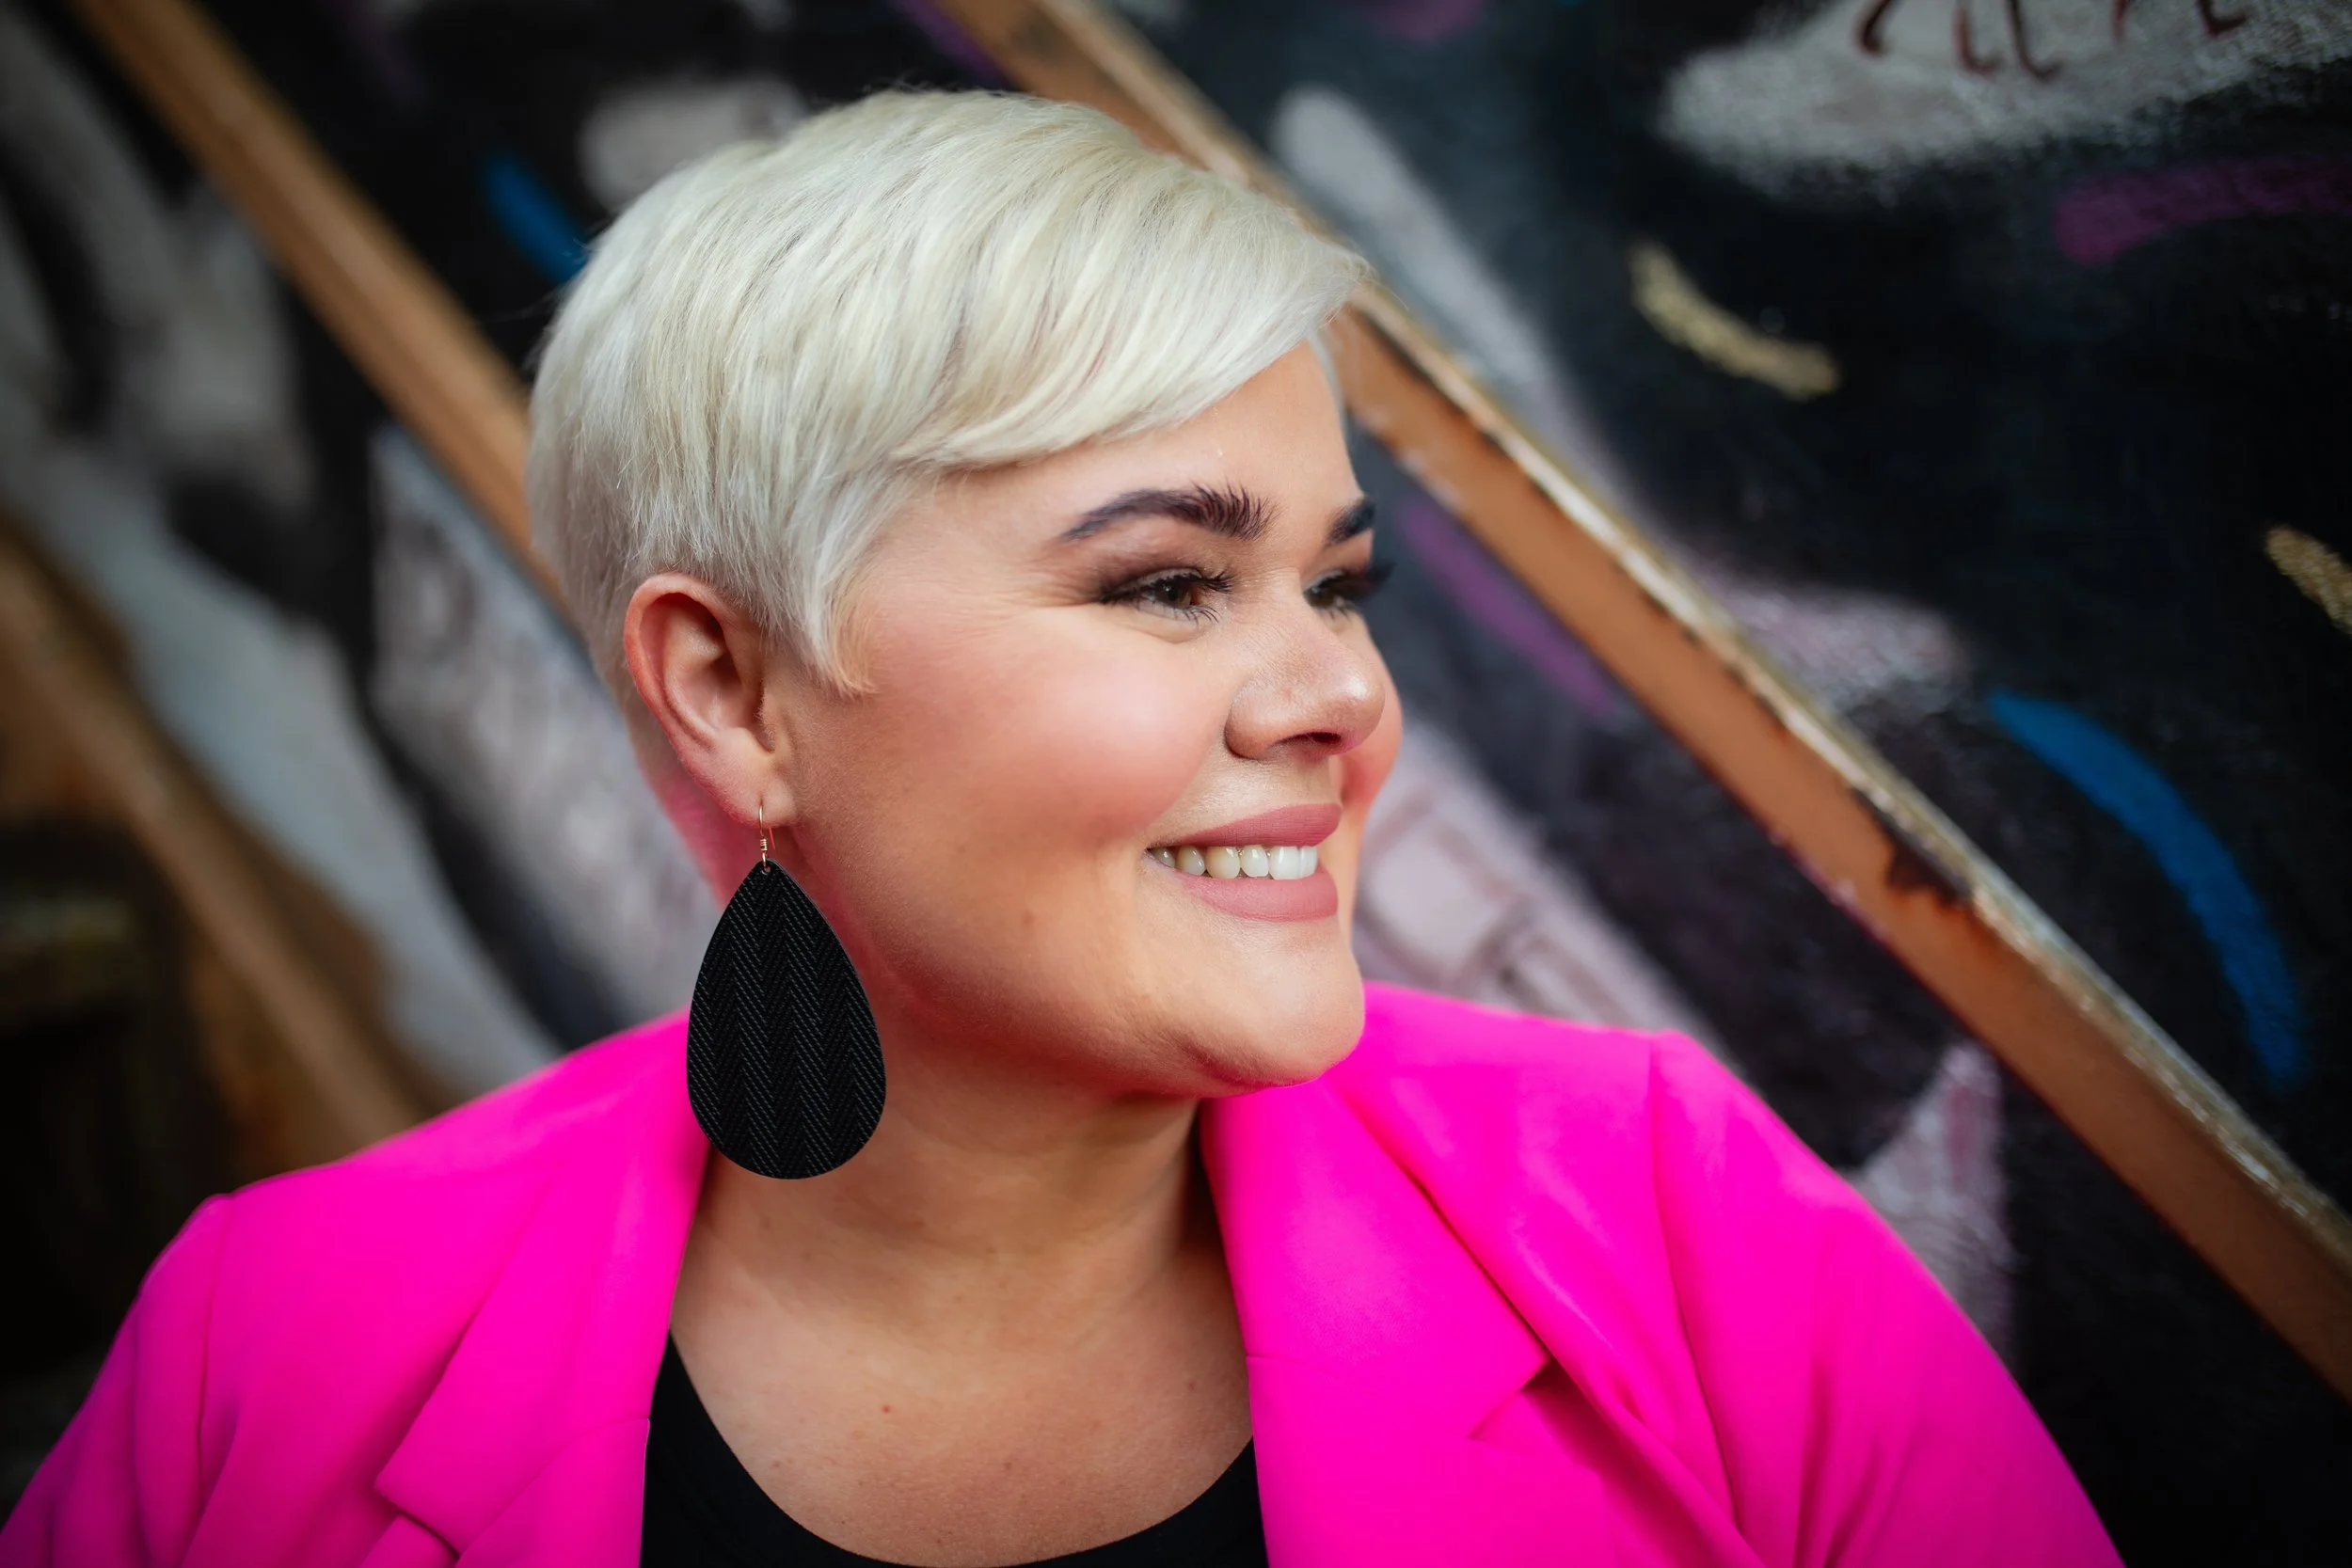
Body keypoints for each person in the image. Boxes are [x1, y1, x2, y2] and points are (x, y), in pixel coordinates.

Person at [2, 90, 2119, 1568]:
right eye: (1163, 582)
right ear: (732, 691)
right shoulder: (270, 1358)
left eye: (1334, 579)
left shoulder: (1687, 1244)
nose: (1337, 697)